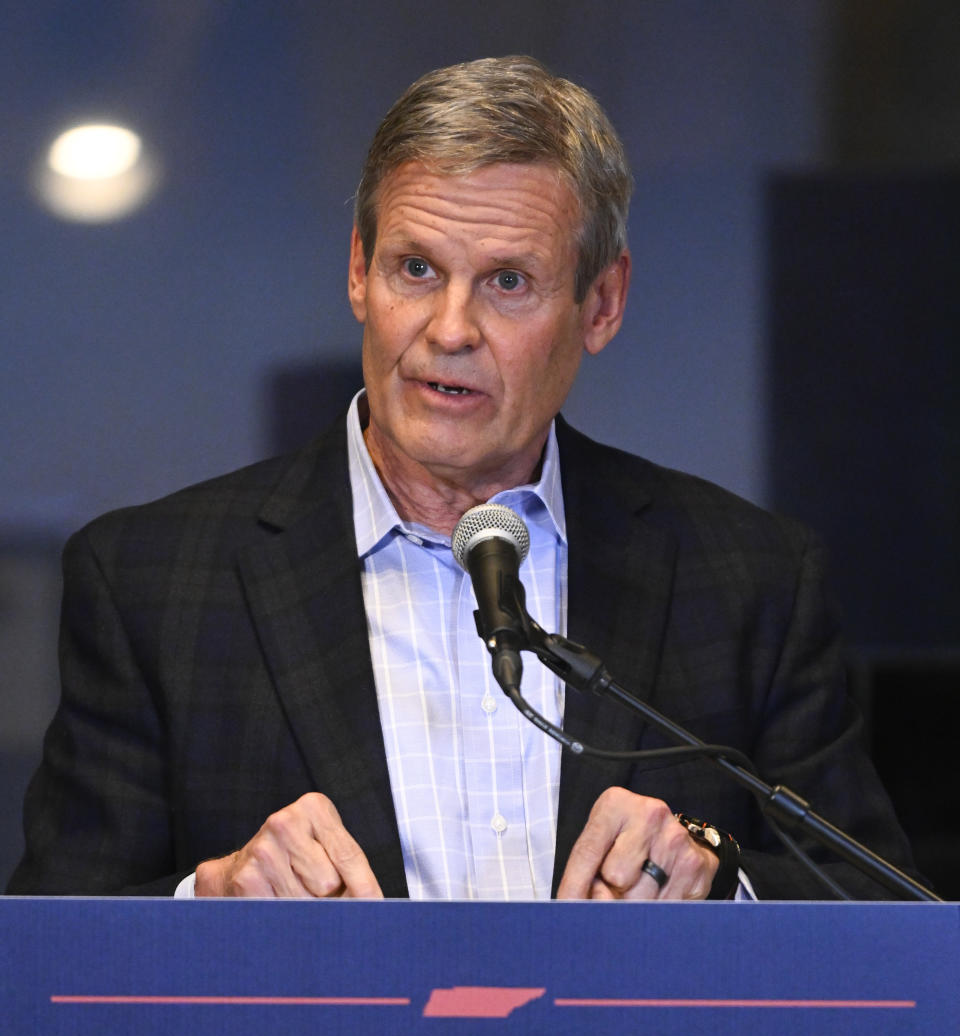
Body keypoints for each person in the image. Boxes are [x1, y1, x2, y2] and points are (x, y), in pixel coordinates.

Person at [7, 56, 916, 902]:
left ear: (601, 304)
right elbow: (47, 958)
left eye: (508, 281)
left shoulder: (750, 580)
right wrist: (209, 898)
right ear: (360, 273)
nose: (449, 329)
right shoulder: (151, 583)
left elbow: (879, 914)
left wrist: (717, 881)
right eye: (416, 269)